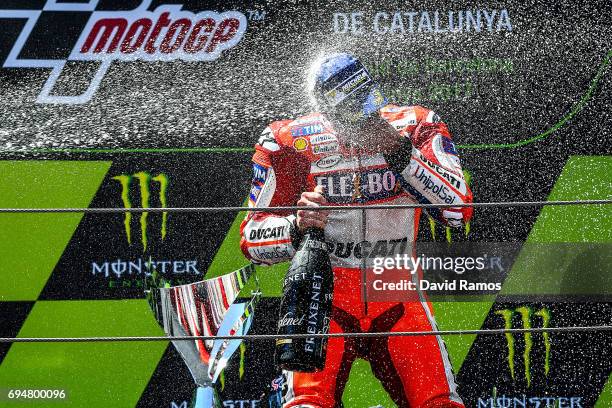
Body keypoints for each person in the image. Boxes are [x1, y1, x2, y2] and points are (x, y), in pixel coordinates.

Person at [239, 53, 473, 408]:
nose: (363, 119)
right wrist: (296, 227)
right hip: (323, 297)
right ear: (326, 110)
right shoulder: (289, 142)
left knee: (439, 403)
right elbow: (251, 238)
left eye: (366, 103)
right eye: (351, 111)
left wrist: (399, 151)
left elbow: (458, 211)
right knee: (306, 404)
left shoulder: (416, 124)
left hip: (396, 291)